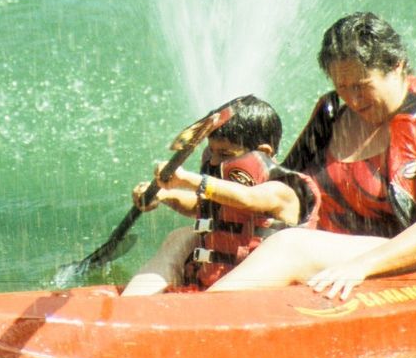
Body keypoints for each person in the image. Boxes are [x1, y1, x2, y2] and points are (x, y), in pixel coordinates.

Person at [206, 12, 416, 298]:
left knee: (290, 247)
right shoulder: (331, 117)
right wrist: (197, 189)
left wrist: (360, 265)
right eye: (343, 87)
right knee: (183, 240)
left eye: (362, 85)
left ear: (396, 67)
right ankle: (164, 314)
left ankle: (206, 323)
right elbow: (289, 192)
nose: (353, 100)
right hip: (337, 250)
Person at [120, 96, 315, 297]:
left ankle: (209, 305)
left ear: (263, 152)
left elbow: (247, 198)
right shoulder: (223, 190)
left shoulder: (280, 190)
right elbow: (202, 206)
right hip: (215, 286)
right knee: (180, 236)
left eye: (224, 153)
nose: (214, 161)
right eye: (211, 151)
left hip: (264, 293)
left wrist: (189, 180)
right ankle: (134, 301)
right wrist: (166, 195)